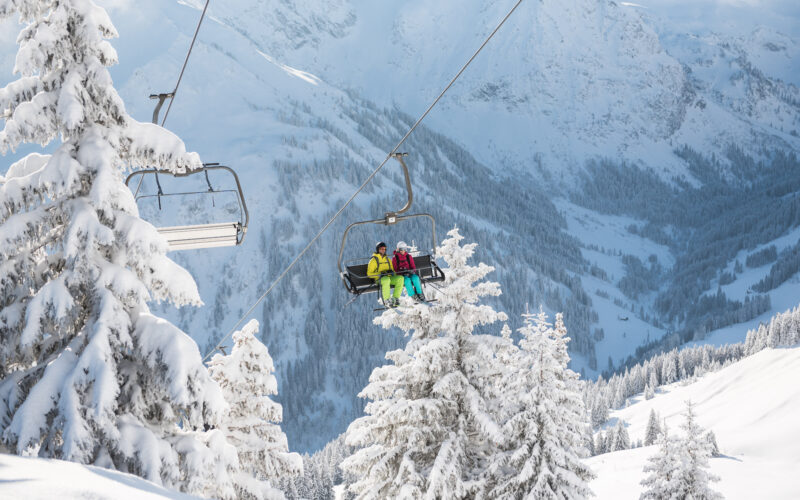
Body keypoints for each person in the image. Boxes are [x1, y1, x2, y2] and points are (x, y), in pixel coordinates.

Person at [366, 242, 404, 307]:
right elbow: (369, 274)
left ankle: (395, 298)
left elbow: (393, 271)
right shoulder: (373, 260)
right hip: (379, 279)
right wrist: (380, 273)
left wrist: (392, 272)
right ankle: (387, 300)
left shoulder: (387, 259)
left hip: (389, 278)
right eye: (381, 249)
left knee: (400, 278)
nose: (383, 250)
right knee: (386, 280)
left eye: (384, 249)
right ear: (378, 249)